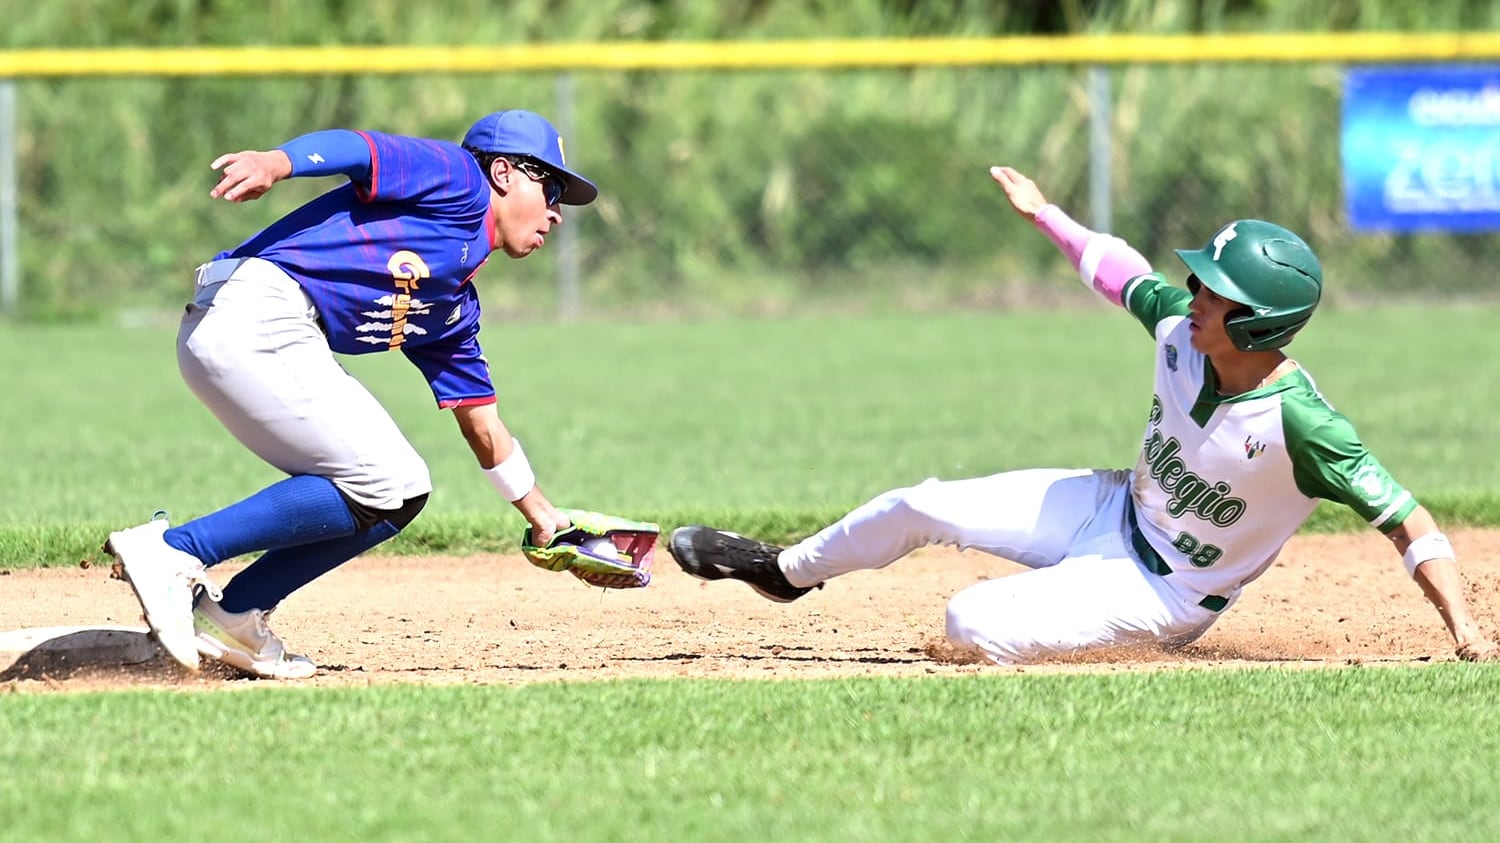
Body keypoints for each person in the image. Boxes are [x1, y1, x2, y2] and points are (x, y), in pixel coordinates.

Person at [669, 165, 1498, 665]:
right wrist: (1044, 214)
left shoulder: (1305, 425)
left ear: (1258, 324)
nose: (1198, 294)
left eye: (1219, 289)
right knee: (919, 500)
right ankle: (786, 573)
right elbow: (1120, 271)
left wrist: (1462, 630)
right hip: (1112, 505)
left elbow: (1406, 517)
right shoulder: (1182, 327)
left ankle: (1058, 622)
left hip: (1164, 590)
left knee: (970, 621)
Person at [105, 109, 593, 679]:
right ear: (504, 173)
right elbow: (359, 150)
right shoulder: (461, 179)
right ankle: (175, 550)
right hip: (255, 310)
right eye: (551, 186)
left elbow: (482, 424)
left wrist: (544, 519)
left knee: (400, 492)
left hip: (247, 335)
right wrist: (277, 162)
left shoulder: (450, 303)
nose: (557, 213)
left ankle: (233, 617)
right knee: (386, 478)